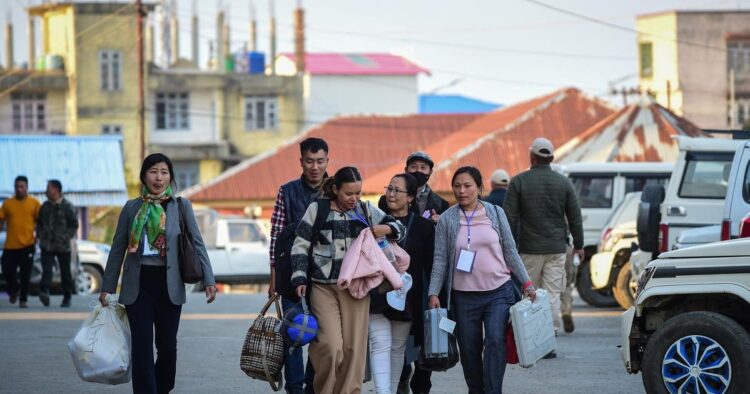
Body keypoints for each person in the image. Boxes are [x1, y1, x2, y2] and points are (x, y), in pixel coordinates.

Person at [100, 153, 218, 394]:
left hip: (169, 283)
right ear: (144, 176)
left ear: (170, 178)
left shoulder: (181, 206)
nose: (159, 177)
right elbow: (117, 248)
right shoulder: (132, 207)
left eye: (164, 172)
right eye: (153, 171)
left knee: (167, 348)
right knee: (142, 347)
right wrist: (107, 286)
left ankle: (161, 388)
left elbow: (197, 242)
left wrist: (209, 279)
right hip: (139, 283)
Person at [291, 166, 405, 394]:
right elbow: (300, 244)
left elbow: (400, 229)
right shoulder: (318, 209)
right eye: (348, 194)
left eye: (358, 193)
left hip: (357, 287)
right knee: (331, 347)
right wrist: (299, 277)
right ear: (335, 189)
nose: (354, 199)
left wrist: (386, 228)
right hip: (323, 288)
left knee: (354, 350)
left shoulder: (365, 209)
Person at [428, 166, 536, 394]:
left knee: (496, 342)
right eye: (457, 186)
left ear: (480, 188)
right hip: (463, 297)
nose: (461, 191)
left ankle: (493, 390)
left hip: (499, 292)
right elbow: (440, 259)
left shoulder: (495, 213)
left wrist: (526, 282)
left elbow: (510, 250)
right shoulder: (447, 219)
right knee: (469, 349)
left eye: (467, 186)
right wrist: (433, 293)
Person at [503, 137, 584, 353]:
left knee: (529, 294)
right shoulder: (564, 182)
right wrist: (579, 244)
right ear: (552, 158)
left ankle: (529, 339)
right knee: (551, 294)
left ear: (531, 156)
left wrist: (506, 248)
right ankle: (549, 340)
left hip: (528, 249)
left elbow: (508, 218)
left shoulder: (518, 182)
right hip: (557, 248)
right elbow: (575, 216)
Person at [268, 137, 329, 394]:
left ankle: (311, 386)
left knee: (321, 336)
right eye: (309, 161)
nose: (315, 167)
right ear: (301, 161)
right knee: (294, 335)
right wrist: (272, 279)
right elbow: (276, 237)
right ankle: (294, 389)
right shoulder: (287, 190)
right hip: (291, 275)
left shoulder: (336, 190)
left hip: (327, 277)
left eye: (320, 161)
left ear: (327, 160)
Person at [369, 173, 435, 394]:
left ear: (410, 197)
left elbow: (431, 266)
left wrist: (432, 296)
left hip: (408, 299)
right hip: (377, 295)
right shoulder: (375, 221)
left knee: (398, 349)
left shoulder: (424, 228)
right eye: (389, 188)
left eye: (397, 190)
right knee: (380, 346)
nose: (391, 194)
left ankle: (394, 389)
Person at [0, 176, 41, 308]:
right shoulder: (7, 204)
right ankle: (14, 289)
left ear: (27, 187)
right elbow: (1, 221)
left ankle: (23, 300)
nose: (19, 189)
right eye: (17, 186)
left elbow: (40, 222)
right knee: (7, 270)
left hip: (27, 245)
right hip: (10, 245)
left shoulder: (34, 203)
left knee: (25, 274)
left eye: (22, 186)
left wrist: (37, 237)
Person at [36, 179, 79, 307]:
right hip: (47, 245)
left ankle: (67, 296)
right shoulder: (44, 206)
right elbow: (39, 224)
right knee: (46, 270)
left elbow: (74, 224)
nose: (46, 190)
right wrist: (40, 235)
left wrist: (66, 237)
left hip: (63, 246)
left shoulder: (67, 206)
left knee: (65, 272)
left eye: (48, 188)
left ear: (56, 190)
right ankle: (44, 292)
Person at [379, 151, 449, 224]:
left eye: (423, 167)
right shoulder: (386, 200)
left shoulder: (441, 204)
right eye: (413, 167)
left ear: (430, 172)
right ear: (406, 170)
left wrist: (439, 224)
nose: (418, 170)